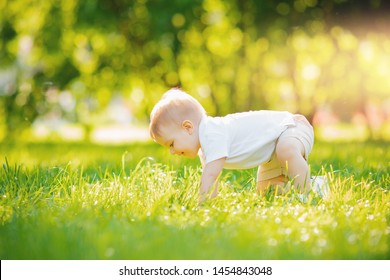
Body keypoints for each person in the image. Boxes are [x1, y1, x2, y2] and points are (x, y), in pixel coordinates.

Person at [149, 88, 323, 203]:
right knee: (268, 193)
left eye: (171, 144)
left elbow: (210, 176)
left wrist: (200, 206)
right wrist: (211, 204)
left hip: (291, 127)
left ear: (188, 127)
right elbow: (212, 181)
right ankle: (317, 185)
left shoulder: (211, 131)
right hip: (273, 149)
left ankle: (308, 196)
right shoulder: (206, 148)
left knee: (287, 150)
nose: (172, 152)